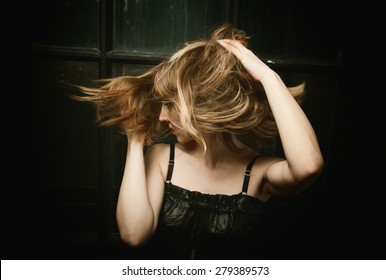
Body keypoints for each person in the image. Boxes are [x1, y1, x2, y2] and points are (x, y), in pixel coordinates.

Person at [72, 23, 324, 259]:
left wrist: (269, 78)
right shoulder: (163, 157)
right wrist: (135, 139)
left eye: (170, 104)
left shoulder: (258, 172)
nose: (161, 116)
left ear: (200, 105)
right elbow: (134, 235)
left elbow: (308, 166)